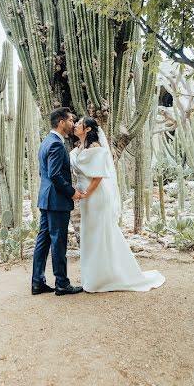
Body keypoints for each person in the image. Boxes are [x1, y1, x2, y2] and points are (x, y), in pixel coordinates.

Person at [70, 116, 165, 293]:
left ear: (88, 129)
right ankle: (95, 276)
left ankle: (105, 277)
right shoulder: (79, 148)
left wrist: (85, 194)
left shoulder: (95, 147)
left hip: (96, 195)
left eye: (79, 123)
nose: (75, 125)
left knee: (101, 233)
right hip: (86, 196)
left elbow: (98, 176)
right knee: (90, 233)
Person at [31, 107, 85, 296]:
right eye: (71, 120)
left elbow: (43, 173)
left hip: (46, 199)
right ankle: (61, 283)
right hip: (56, 202)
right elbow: (54, 174)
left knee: (43, 242)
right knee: (58, 241)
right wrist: (71, 192)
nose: (73, 123)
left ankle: (37, 282)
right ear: (61, 122)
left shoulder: (46, 142)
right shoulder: (56, 144)